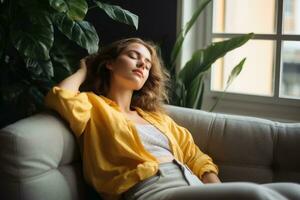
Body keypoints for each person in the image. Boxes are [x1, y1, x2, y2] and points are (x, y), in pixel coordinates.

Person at [45, 38, 300, 200]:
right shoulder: (93, 106)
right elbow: (61, 97)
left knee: (291, 191)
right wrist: (84, 69)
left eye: (146, 63)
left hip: (190, 185)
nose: (142, 65)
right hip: (151, 190)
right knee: (257, 195)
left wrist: (214, 191)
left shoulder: (156, 118)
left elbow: (195, 157)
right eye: (134, 56)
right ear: (110, 64)